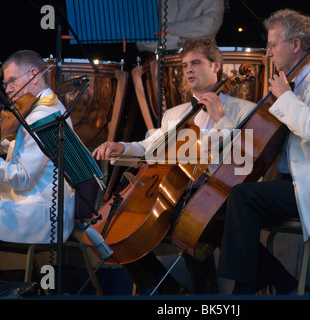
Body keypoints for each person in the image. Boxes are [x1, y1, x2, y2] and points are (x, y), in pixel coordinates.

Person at [217, 9, 310, 294]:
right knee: (221, 209)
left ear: (296, 44)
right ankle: (281, 280)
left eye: (273, 45)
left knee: (242, 198)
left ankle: (245, 292)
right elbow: (254, 143)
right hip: (295, 188)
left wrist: (285, 97)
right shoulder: (292, 85)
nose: (269, 53)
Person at [93, 37, 256, 294]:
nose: (188, 69)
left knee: (191, 220)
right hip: (173, 196)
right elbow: (152, 146)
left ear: (216, 65)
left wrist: (220, 118)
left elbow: (245, 162)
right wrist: (122, 147)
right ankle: (171, 293)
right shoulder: (175, 114)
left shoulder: (245, 110)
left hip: (218, 200)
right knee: (114, 231)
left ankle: (207, 297)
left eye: (196, 63)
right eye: (184, 65)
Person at [0, 50, 75, 282]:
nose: (7, 89)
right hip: (36, 204)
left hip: (39, 213)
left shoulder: (44, 115)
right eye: (5, 83)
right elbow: (38, 157)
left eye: (11, 81)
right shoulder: (45, 107)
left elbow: (22, 177)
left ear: (33, 74)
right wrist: (7, 144)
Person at [136, 0, 225, 53]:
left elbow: (207, 28)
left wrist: (163, 29)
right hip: (159, 68)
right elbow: (142, 39)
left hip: (200, 65)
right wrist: (183, 39)